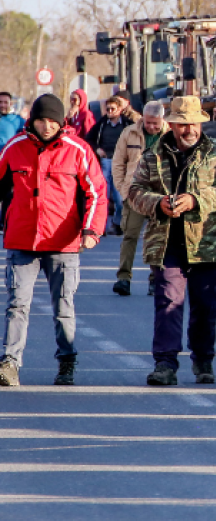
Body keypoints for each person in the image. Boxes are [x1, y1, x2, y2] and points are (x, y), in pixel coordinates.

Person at [126, 96, 216, 387]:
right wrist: (158, 203)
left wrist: (196, 200)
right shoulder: (153, 154)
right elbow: (135, 191)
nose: (189, 130)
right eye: (182, 124)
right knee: (168, 302)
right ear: (172, 125)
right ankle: (165, 364)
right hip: (166, 242)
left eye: (193, 124)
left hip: (205, 244)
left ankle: (203, 359)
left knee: (205, 306)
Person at [0, 94, 107, 387]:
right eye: (41, 121)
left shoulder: (77, 150)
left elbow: (96, 192)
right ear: (32, 121)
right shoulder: (14, 148)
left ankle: (66, 362)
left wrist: (91, 230)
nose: (46, 127)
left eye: (52, 121)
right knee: (17, 305)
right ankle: (9, 363)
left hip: (63, 242)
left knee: (63, 307)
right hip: (22, 241)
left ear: (60, 122)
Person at [112, 102, 167, 296]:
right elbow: (118, 163)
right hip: (134, 194)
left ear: (162, 120)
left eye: (155, 124)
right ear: (143, 118)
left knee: (158, 238)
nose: (151, 127)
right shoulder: (129, 133)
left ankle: (155, 279)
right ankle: (123, 278)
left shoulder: (171, 135)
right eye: (148, 122)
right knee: (130, 236)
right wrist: (123, 190)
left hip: (160, 196)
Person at [87, 96, 137, 236]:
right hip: (106, 161)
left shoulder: (127, 124)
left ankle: (118, 223)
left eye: (112, 109)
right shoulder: (102, 124)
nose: (109, 111)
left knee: (119, 198)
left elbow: (137, 140)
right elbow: (89, 139)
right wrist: (97, 149)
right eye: (107, 109)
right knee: (102, 196)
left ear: (120, 109)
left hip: (120, 163)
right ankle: (101, 227)